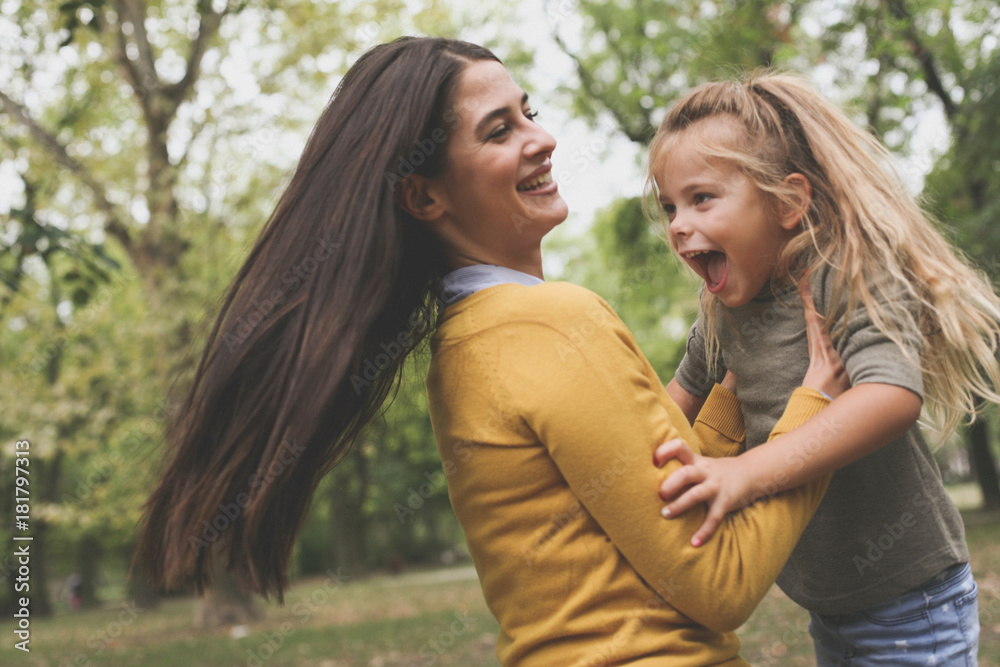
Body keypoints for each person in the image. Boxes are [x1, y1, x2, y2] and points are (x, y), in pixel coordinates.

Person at [136, 38, 844, 666]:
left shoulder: (466, 344)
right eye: (499, 129)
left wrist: (733, 388)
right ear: (424, 197)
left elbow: (643, 513)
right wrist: (816, 407)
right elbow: (719, 581)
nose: (543, 139)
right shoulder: (551, 323)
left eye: (528, 113)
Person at [647, 72, 999, 666]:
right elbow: (674, 404)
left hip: (910, 600)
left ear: (788, 202)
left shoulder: (842, 275)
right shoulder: (721, 310)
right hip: (827, 602)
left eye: (701, 198)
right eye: (669, 206)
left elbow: (891, 395)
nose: (678, 224)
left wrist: (749, 471)